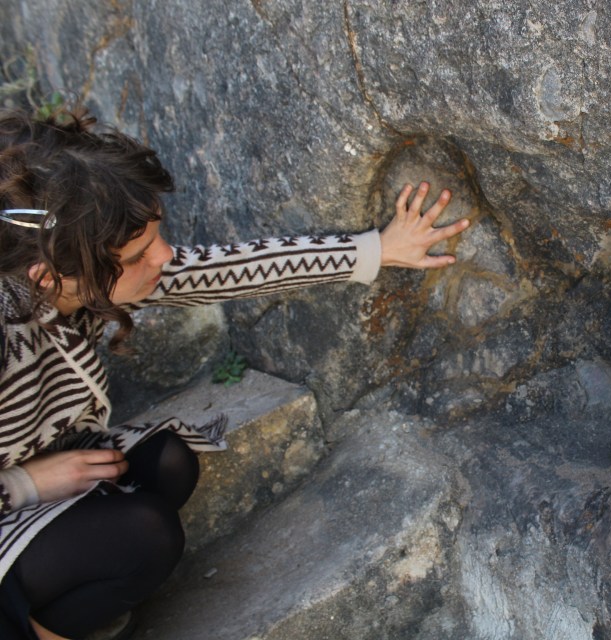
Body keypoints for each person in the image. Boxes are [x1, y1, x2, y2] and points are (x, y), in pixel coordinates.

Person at [0, 105, 469, 640]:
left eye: (157, 236)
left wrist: (376, 249)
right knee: (144, 535)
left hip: (27, 468)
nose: (164, 255)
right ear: (47, 275)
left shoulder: (69, 264)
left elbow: (215, 269)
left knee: (165, 465)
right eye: (137, 254)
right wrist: (23, 484)